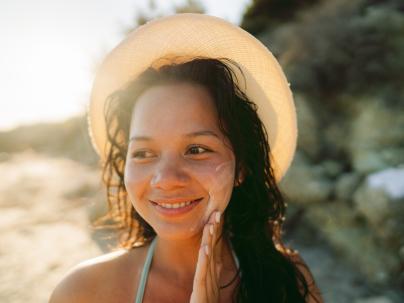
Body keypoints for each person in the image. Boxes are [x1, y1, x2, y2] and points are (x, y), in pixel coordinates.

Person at [49, 14, 323, 302]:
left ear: (241, 165)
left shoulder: (287, 280)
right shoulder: (82, 292)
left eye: (196, 150)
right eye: (143, 153)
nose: (166, 179)